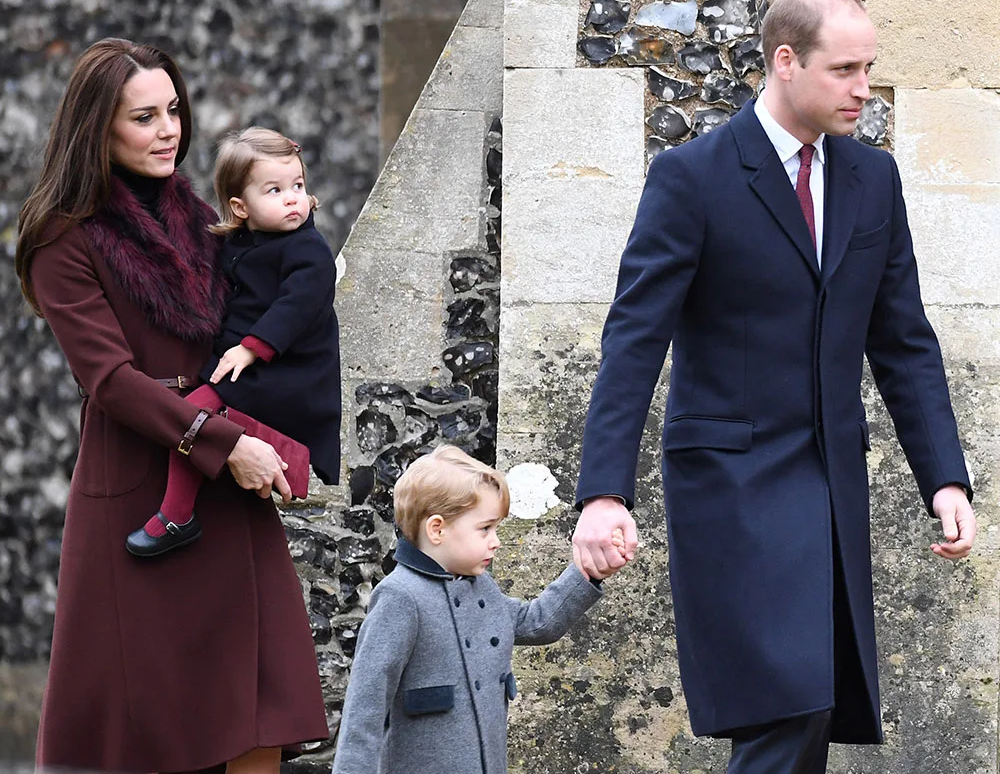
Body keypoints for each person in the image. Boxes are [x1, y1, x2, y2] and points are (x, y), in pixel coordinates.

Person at [571, 0, 977, 773]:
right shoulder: (692, 177)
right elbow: (633, 340)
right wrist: (602, 493)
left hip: (831, 490)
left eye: (870, 67)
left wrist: (946, 480)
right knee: (787, 706)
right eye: (846, 69)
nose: (865, 87)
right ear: (784, 62)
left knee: (812, 709)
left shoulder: (874, 180)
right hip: (732, 487)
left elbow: (904, 343)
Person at [16, 38, 328, 774]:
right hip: (143, 501)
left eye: (174, 111)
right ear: (98, 127)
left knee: (260, 717)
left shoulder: (208, 219)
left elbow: (280, 299)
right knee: (154, 734)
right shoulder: (63, 240)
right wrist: (223, 444)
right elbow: (110, 380)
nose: (168, 131)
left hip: (230, 489)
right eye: (144, 117)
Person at [125, 126, 342, 557]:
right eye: (275, 190)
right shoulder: (239, 243)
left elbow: (298, 304)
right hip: (253, 365)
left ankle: (177, 515)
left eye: (298, 185)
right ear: (241, 207)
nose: (292, 198)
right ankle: (194, 505)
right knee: (202, 417)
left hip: (287, 369)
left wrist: (251, 345)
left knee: (194, 416)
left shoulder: (308, 250)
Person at [331, 444, 613, 774]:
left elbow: (538, 622)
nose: (495, 541)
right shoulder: (400, 597)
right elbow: (365, 708)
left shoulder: (482, 586)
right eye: (485, 529)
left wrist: (587, 570)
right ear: (437, 529)